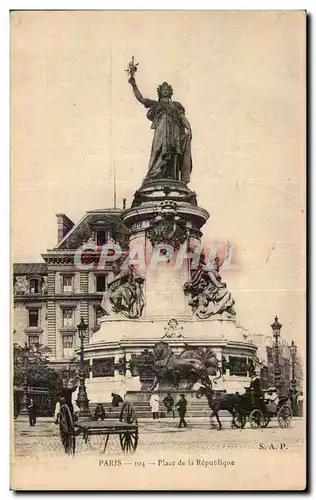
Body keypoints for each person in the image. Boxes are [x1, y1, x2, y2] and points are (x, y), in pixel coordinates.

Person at [128, 76, 192, 184]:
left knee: (174, 153)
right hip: (161, 132)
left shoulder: (176, 105)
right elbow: (142, 99)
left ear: (170, 92)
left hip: (175, 132)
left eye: (167, 89)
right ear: (160, 92)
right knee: (159, 150)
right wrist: (134, 85)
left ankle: (172, 176)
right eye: (163, 89)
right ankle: (157, 173)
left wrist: (188, 128)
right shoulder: (156, 104)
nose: (165, 91)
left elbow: (182, 118)